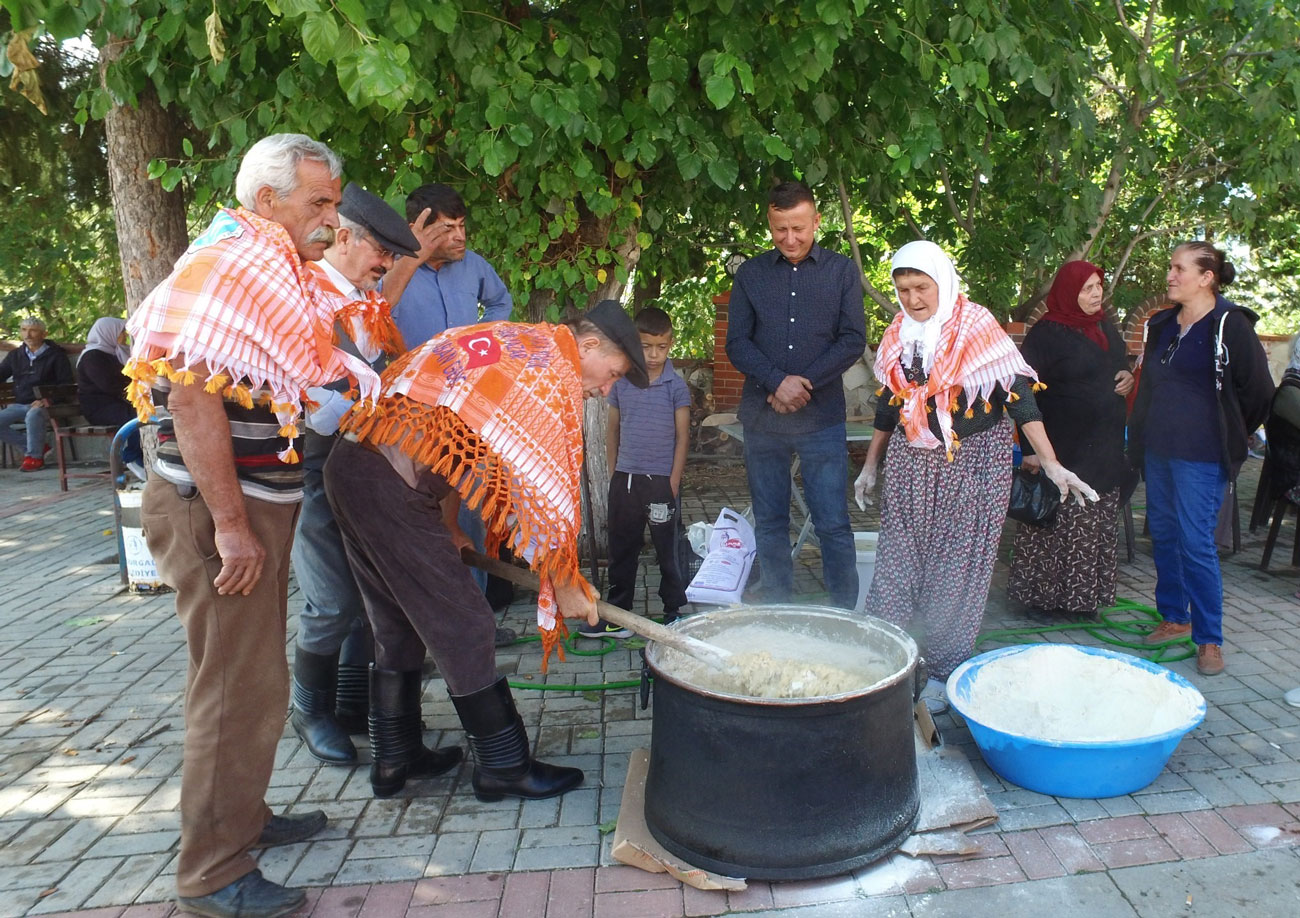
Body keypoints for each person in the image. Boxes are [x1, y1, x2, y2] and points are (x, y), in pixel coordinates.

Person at [125, 133, 372, 918]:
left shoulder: (258, 263)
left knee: (249, 677)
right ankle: (211, 873)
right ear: (267, 200)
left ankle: (244, 819)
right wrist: (232, 527)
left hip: (242, 508)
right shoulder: (233, 266)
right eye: (319, 203)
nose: (331, 220)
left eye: (335, 203)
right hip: (216, 516)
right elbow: (190, 396)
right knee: (238, 689)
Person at [323, 300, 649, 800]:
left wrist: (449, 524)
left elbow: (463, 441)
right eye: (613, 375)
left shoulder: (520, 343)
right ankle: (503, 766)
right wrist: (564, 582)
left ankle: (396, 756)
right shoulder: (546, 372)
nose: (606, 390)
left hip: (352, 464)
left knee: (394, 619)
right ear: (588, 346)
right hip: (387, 482)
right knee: (468, 624)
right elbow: (533, 485)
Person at [855, 241, 1096, 696]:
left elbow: (1019, 397)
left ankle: (940, 674)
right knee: (895, 565)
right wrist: (871, 465)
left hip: (971, 466)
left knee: (954, 572)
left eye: (921, 287)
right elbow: (890, 405)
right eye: (903, 289)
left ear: (942, 282)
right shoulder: (899, 334)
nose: (912, 299)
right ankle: (885, 664)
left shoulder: (976, 326)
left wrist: (1051, 463)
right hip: (911, 465)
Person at [289, 183, 418, 767]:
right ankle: (308, 710)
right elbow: (305, 399)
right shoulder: (305, 295)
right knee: (330, 599)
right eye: (381, 253)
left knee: (368, 589)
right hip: (311, 466)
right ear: (344, 237)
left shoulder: (365, 304)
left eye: (392, 256)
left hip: (358, 460)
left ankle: (348, 703)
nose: (385, 266)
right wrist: (372, 406)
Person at [1129, 241, 1274, 676]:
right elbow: (1149, 385)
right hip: (1159, 449)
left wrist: (1229, 432)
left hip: (1202, 456)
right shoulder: (1162, 324)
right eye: (1170, 267)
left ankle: (1209, 638)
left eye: (1179, 268)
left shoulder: (1231, 325)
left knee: (1196, 544)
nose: (1170, 275)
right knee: (1165, 535)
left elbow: (1259, 393)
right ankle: (1175, 616)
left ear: (1206, 278)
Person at [382, 182, 517, 641]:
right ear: (418, 229)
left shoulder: (474, 266)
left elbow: (500, 302)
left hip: (464, 412)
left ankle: (475, 624)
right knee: (417, 514)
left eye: (462, 226)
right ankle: (423, 631)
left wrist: (480, 342)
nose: (459, 236)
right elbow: (368, 317)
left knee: (470, 513)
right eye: (446, 228)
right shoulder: (391, 270)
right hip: (408, 414)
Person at [725, 181, 866, 609]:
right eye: (780, 229)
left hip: (820, 419)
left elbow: (852, 340)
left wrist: (800, 383)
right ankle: (776, 608)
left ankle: (844, 615)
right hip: (763, 419)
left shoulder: (842, 272)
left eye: (798, 228)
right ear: (769, 224)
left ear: (817, 221)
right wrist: (776, 381)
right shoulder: (750, 274)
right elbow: (737, 343)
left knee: (832, 522)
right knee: (770, 520)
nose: (789, 238)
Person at [1007, 261, 1135, 618]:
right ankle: (1042, 600)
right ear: (1068, 292)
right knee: (1057, 520)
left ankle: (1082, 600)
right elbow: (1021, 391)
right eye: (1086, 288)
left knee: (1093, 518)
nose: (1096, 294)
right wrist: (1031, 450)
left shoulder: (1104, 327)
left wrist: (1127, 376)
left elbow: (1119, 365)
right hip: (1061, 445)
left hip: (1103, 446)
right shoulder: (1046, 334)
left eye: (1098, 286)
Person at [582, 306, 692, 638]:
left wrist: (673, 481)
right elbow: (612, 429)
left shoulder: (676, 386)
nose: (654, 354)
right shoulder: (622, 383)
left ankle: (673, 612)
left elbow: (683, 436)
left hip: (660, 482)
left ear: (671, 344)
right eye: (646, 346)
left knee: (667, 550)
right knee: (622, 548)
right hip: (625, 480)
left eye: (661, 347)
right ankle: (619, 616)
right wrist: (615, 473)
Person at [0, 316, 74, 471]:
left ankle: (35, 457)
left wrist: (47, 400)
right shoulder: (15, 355)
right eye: (24, 330)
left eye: (33, 331)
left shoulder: (56, 355)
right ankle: (36, 447)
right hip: (21, 404)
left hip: (49, 404)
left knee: (34, 415)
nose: (27, 335)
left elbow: (65, 384)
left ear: (44, 334)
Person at [76, 316, 143, 473]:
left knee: (146, 412)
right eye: (121, 333)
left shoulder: (115, 353)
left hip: (116, 403)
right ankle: (132, 457)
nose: (124, 337)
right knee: (138, 416)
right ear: (108, 332)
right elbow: (109, 385)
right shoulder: (92, 357)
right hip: (99, 407)